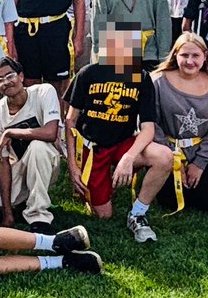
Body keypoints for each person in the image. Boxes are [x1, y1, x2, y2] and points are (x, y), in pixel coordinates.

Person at [63, 24, 174, 242]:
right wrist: (73, 165)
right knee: (104, 215)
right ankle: (91, 188)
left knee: (164, 156)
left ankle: (138, 213)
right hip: (93, 148)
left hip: (123, 143)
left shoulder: (140, 77)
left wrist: (128, 157)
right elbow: (70, 121)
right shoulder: (89, 73)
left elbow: (148, 128)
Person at [0, 57, 61, 230]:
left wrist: (11, 132)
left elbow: (50, 133)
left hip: (47, 161)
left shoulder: (43, 91)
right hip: (16, 166)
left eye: (10, 75)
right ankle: (22, 200)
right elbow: (3, 162)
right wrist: (7, 213)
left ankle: (38, 216)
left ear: (21, 76)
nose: (6, 82)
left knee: (37, 146)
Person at [151, 33, 208, 212]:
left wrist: (200, 163)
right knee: (169, 201)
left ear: (204, 56)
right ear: (175, 55)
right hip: (168, 151)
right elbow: (151, 124)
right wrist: (170, 159)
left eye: (195, 56)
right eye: (184, 55)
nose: (189, 61)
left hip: (201, 150)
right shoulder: (158, 81)